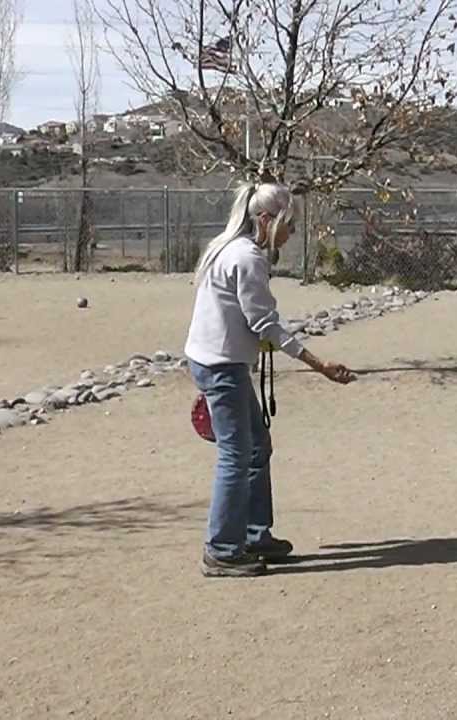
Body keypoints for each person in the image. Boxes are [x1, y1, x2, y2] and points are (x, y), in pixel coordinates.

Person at [184, 182, 356, 577]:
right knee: (236, 457)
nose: (291, 232)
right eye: (288, 223)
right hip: (222, 367)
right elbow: (264, 323)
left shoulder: (227, 247)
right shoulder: (247, 257)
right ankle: (223, 549)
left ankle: (255, 534)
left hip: (217, 362)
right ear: (265, 219)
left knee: (256, 448)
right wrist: (319, 364)